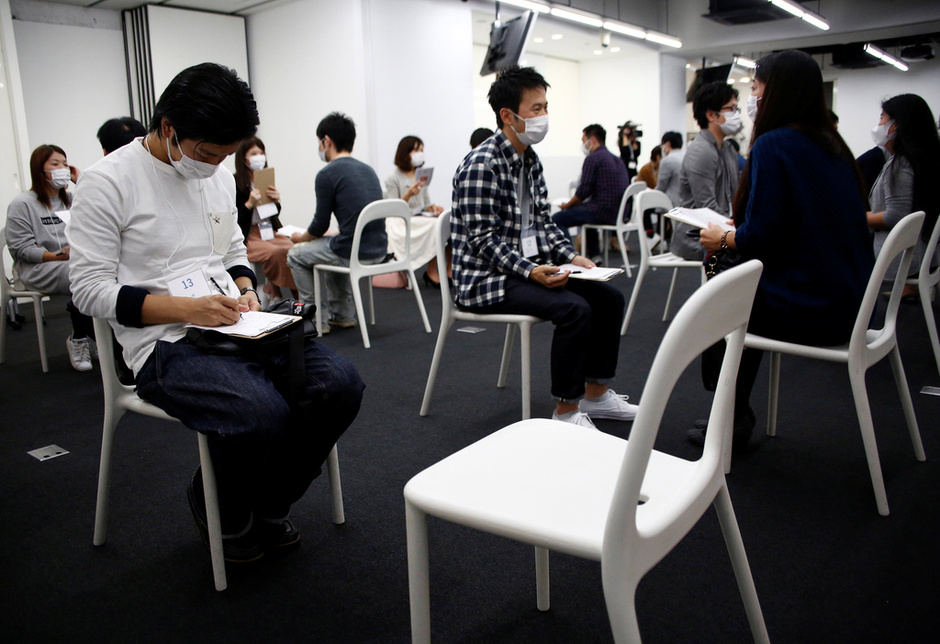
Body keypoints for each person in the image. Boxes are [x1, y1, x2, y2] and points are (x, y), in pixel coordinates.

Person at [67, 63, 364, 562]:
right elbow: (88, 290)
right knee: (260, 410)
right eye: (207, 152)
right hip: (164, 342)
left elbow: (230, 252)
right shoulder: (108, 182)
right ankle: (220, 508)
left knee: (340, 385)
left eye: (226, 154)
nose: (216, 165)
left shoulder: (218, 173)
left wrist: (246, 286)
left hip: (238, 322)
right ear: (168, 128)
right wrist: (188, 308)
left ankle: (267, 502)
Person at [693, 50, 874, 451]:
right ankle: (732, 416)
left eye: (755, 88)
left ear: (776, 91)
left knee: (726, 303)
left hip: (815, 308)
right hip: (854, 302)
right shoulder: (834, 145)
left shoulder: (774, 144)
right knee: (740, 296)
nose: (751, 98)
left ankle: (727, 423)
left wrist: (721, 239)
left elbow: (761, 237)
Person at [452, 66, 638, 429]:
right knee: (574, 309)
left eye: (545, 106)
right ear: (508, 115)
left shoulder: (529, 160)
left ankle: (596, 394)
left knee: (608, 298)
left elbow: (542, 221)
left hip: (525, 268)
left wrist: (570, 256)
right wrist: (532, 270)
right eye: (535, 108)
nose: (544, 116)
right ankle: (566, 411)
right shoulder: (482, 164)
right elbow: (481, 241)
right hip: (483, 279)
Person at [287, 112, 386, 333]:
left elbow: (319, 225)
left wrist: (300, 238)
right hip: (379, 249)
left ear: (327, 141)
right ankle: (343, 315)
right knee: (331, 245)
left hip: (352, 252)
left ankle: (313, 320)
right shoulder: (368, 170)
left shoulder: (327, 174)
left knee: (296, 254)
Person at [5, 144, 93, 371]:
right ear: (39, 169)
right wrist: (55, 256)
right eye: (55, 164)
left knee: (98, 273)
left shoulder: (73, 199)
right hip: (36, 268)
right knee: (83, 275)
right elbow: (21, 249)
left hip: (72, 262)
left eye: (65, 163)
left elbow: (97, 222)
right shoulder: (22, 204)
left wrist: (81, 181)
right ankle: (80, 338)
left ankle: (104, 338)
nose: (62, 168)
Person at [865, 94, 940, 290]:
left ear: (896, 125)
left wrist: (860, 217)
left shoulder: (901, 164)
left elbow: (896, 216)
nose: (878, 124)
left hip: (896, 263)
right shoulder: (924, 160)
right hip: (919, 258)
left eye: (882, 118)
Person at [674, 81, 742, 261]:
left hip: (718, 228)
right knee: (750, 249)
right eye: (731, 109)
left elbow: (734, 198)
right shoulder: (701, 151)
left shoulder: (727, 149)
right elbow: (707, 206)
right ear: (711, 115)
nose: (737, 114)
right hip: (697, 236)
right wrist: (734, 232)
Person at [552, 124, 630, 261]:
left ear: (592, 140)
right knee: (586, 212)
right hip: (619, 213)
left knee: (557, 219)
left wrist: (567, 205)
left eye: (583, 140)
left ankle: (569, 257)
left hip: (602, 212)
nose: (582, 144)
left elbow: (583, 192)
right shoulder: (617, 159)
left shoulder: (593, 158)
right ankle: (595, 255)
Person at [234, 137, 297, 300]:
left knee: (292, 248)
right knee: (274, 252)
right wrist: (249, 204)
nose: (259, 157)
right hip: (250, 235)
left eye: (261, 153)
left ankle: (285, 292)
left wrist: (276, 202)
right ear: (243, 157)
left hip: (269, 229)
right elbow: (234, 219)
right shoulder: (235, 182)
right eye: (254, 153)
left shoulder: (265, 179)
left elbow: (272, 213)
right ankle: (280, 292)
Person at [383, 135, 445, 286]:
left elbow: (426, 204)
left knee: (441, 221)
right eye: (417, 149)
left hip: (418, 217)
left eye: (422, 150)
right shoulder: (393, 177)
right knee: (433, 226)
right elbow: (392, 209)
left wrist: (434, 208)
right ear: (406, 152)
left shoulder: (421, 174)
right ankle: (431, 271)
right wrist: (409, 194)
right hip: (400, 220)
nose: (420, 153)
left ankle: (440, 270)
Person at [657, 131, 685, 208]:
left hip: (672, 204)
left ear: (667, 144)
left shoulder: (667, 160)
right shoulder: (687, 157)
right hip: (687, 203)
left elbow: (661, 187)